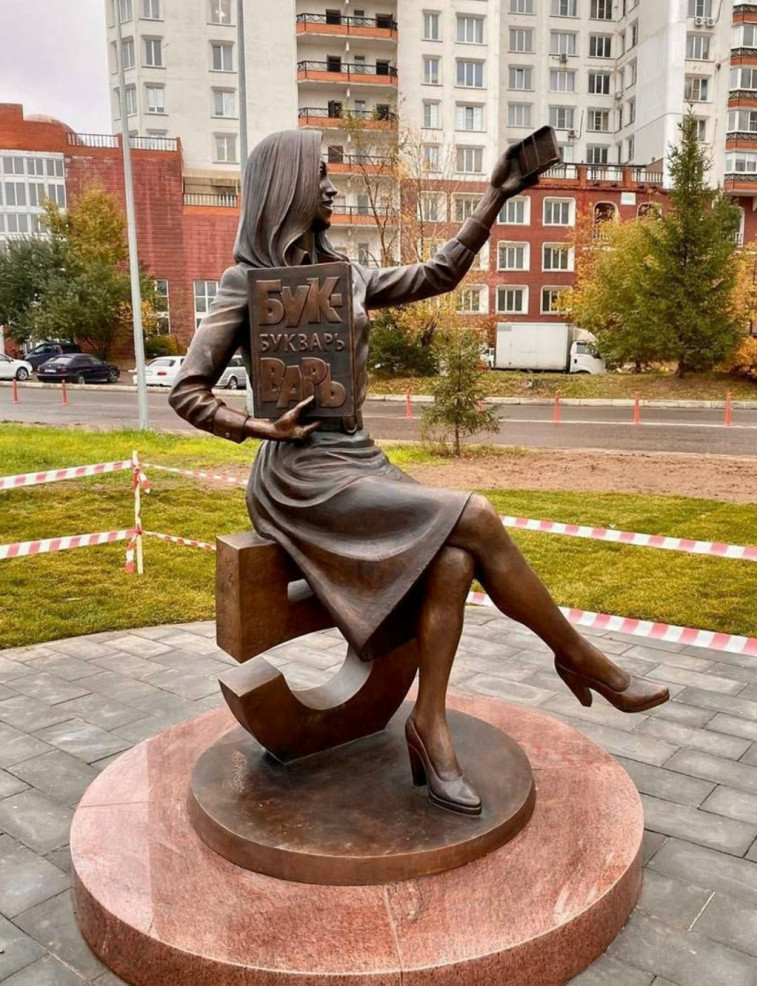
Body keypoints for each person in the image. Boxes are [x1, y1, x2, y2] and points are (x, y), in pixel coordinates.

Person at [170, 129, 669, 816]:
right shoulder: (244, 285)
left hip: (359, 458)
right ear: (288, 186)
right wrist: (260, 427)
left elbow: (439, 274)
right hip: (300, 477)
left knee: (455, 562)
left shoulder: (345, 276)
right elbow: (187, 390)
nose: (331, 186)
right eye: (321, 173)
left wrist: (496, 195)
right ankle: (580, 657)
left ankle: (428, 725)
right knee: (476, 514)